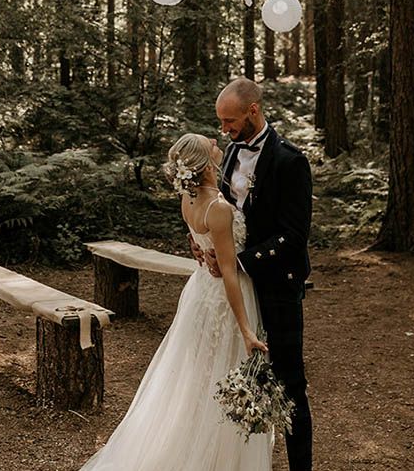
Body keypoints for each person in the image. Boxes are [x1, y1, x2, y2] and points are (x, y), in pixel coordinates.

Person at [77, 132, 274, 471]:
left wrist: (198, 245)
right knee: (221, 375)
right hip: (226, 300)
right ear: (207, 162)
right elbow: (229, 272)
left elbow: (198, 236)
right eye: (209, 142)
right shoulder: (220, 208)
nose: (216, 140)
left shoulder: (190, 200)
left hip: (200, 294)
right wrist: (246, 331)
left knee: (200, 376)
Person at [195, 77, 313, 471]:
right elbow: (221, 211)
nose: (224, 130)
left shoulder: (290, 161)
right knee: (237, 378)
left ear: (253, 111)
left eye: (229, 121)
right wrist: (206, 244)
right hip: (236, 289)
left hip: (277, 283)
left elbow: (294, 236)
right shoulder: (229, 153)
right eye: (221, 123)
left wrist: (241, 261)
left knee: (290, 383)